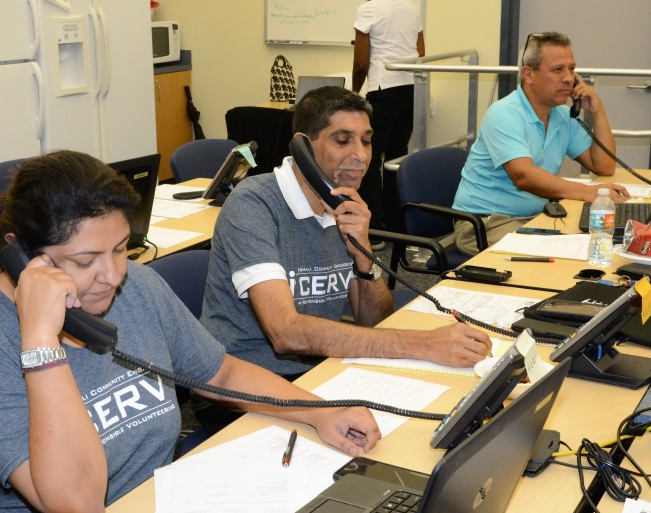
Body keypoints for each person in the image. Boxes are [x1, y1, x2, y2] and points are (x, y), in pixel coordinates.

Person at [0, 151, 380, 513]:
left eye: (120, 248)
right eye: (85, 260)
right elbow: (79, 503)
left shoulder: (136, 288)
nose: (112, 275)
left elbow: (219, 373)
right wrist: (40, 341)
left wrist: (318, 411)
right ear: (20, 257)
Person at [202, 86, 492, 383]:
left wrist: (363, 256)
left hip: (322, 369)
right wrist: (422, 343)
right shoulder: (254, 204)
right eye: (342, 140)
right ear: (302, 147)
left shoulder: (344, 205)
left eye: (366, 141)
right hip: (249, 380)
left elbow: (374, 323)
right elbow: (285, 333)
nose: (361, 155)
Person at [451, 31, 630, 255]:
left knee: (602, 241)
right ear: (528, 74)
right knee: (573, 252)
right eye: (558, 70)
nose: (568, 78)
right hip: (485, 223)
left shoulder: (562, 115)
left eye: (572, 69)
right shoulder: (504, 114)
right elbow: (522, 176)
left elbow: (604, 166)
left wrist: (598, 111)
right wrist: (585, 192)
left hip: (536, 216)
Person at [352, 0, 424, 232]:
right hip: (411, 88)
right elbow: (420, 51)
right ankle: (396, 225)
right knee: (397, 157)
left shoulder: (368, 9)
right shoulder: (410, 6)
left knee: (370, 159)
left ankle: (376, 229)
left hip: (383, 89)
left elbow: (361, 62)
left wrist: (354, 94)